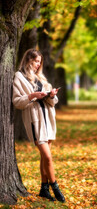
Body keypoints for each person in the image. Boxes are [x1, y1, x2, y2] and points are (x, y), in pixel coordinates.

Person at [12, 49, 65, 203]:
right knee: (47, 156)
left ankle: (44, 188)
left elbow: (52, 102)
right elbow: (17, 102)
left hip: (48, 119)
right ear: (28, 60)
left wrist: (52, 95)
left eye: (39, 62)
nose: (38, 65)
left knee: (44, 157)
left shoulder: (40, 77)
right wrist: (33, 95)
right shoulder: (19, 77)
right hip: (35, 120)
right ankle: (55, 187)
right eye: (36, 61)